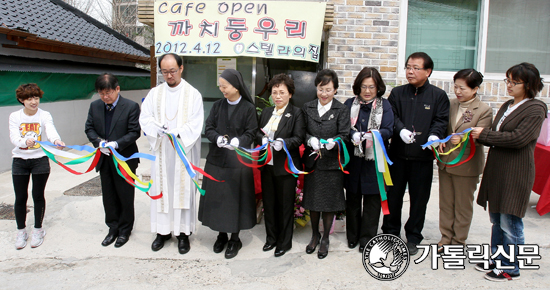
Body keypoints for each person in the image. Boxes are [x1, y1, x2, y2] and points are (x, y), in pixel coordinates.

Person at [470, 63, 547, 282]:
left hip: (516, 173)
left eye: (514, 82)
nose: (509, 85)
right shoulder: (507, 105)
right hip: (498, 170)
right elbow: (498, 133)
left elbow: (518, 138)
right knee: (497, 219)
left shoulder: (535, 108)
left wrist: (484, 135)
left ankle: (510, 267)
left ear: (529, 84)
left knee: (510, 221)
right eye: (508, 80)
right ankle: (497, 258)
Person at [381, 52, 450, 255]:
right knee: (393, 197)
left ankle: (413, 236)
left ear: (428, 71)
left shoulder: (438, 96)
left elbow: (441, 120)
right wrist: (400, 129)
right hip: (397, 157)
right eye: (408, 67)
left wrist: (434, 136)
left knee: (419, 200)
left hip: (422, 159)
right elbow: (391, 115)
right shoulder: (397, 93)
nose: (410, 71)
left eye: (415, 68)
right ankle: (391, 233)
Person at [140, 53, 204, 255]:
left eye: (172, 71)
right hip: (161, 151)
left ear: (181, 68)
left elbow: (195, 123)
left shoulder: (193, 94)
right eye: (165, 72)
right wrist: (156, 130)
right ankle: (162, 232)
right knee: (163, 189)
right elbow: (145, 117)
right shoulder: (155, 94)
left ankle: (183, 234)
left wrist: (177, 133)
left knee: (181, 191)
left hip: (182, 151)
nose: (169, 76)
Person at [199, 69, 258, 259]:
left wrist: (238, 141)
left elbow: (252, 132)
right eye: (220, 86)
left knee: (235, 202)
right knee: (218, 201)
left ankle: (234, 238)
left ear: (236, 86)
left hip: (239, 163)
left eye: (224, 86)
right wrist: (216, 138)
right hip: (217, 160)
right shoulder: (217, 106)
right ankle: (221, 235)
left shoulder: (248, 108)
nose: (221, 89)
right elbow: (209, 127)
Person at [436, 69, 492, 251]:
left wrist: (464, 138)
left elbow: (481, 135)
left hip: (466, 165)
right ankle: (445, 237)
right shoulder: (450, 104)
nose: (458, 92)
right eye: (456, 87)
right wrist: (438, 143)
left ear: (475, 89)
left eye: (463, 88)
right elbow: (441, 127)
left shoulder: (483, 110)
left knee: (462, 206)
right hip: (445, 163)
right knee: (445, 204)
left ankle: (459, 241)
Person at [85, 73, 141, 248]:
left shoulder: (131, 106)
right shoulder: (95, 106)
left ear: (117, 89)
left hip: (124, 157)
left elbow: (134, 132)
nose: (105, 97)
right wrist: (99, 142)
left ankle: (125, 230)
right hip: (105, 158)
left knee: (125, 194)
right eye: (101, 93)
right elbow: (89, 128)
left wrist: (116, 144)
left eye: (108, 93)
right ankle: (112, 228)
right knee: (108, 195)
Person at [344, 67, 394, 253]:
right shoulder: (350, 103)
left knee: (372, 202)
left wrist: (377, 135)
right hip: (354, 160)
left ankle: (367, 238)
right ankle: (352, 236)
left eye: (371, 87)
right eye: (364, 86)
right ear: (358, 86)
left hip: (375, 161)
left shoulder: (385, 105)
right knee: (353, 199)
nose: (367, 91)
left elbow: (389, 129)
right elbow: (342, 127)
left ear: (378, 88)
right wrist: (352, 134)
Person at [302, 69, 350, 259]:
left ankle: (325, 240)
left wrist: (335, 141)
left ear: (335, 90)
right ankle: (314, 235)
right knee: (314, 202)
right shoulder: (308, 107)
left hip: (332, 164)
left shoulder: (341, 109)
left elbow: (345, 134)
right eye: (321, 89)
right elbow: (302, 131)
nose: (324, 93)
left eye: (328, 89)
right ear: (316, 88)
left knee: (329, 203)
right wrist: (310, 140)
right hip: (314, 162)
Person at [9, 83, 65, 249]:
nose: (34, 101)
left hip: (39, 159)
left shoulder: (44, 115)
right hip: (20, 160)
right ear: (21, 100)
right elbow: (14, 137)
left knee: (38, 195)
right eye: (29, 98)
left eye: (36, 97)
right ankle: (21, 231)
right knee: (20, 197)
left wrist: (56, 141)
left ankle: (38, 229)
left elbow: (50, 130)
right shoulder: (15, 116)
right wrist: (24, 142)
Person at [256, 73, 305, 257]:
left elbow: (298, 137)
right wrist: (262, 139)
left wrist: (282, 143)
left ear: (290, 94)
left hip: (285, 167)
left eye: (282, 92)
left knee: (284, 206)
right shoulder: (267, 112)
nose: (277, 96)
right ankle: (271, 239)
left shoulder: (296, 113)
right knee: (269, 204)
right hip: (267, 165)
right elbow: (257, 133)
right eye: (274, 92)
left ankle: (285, 242)